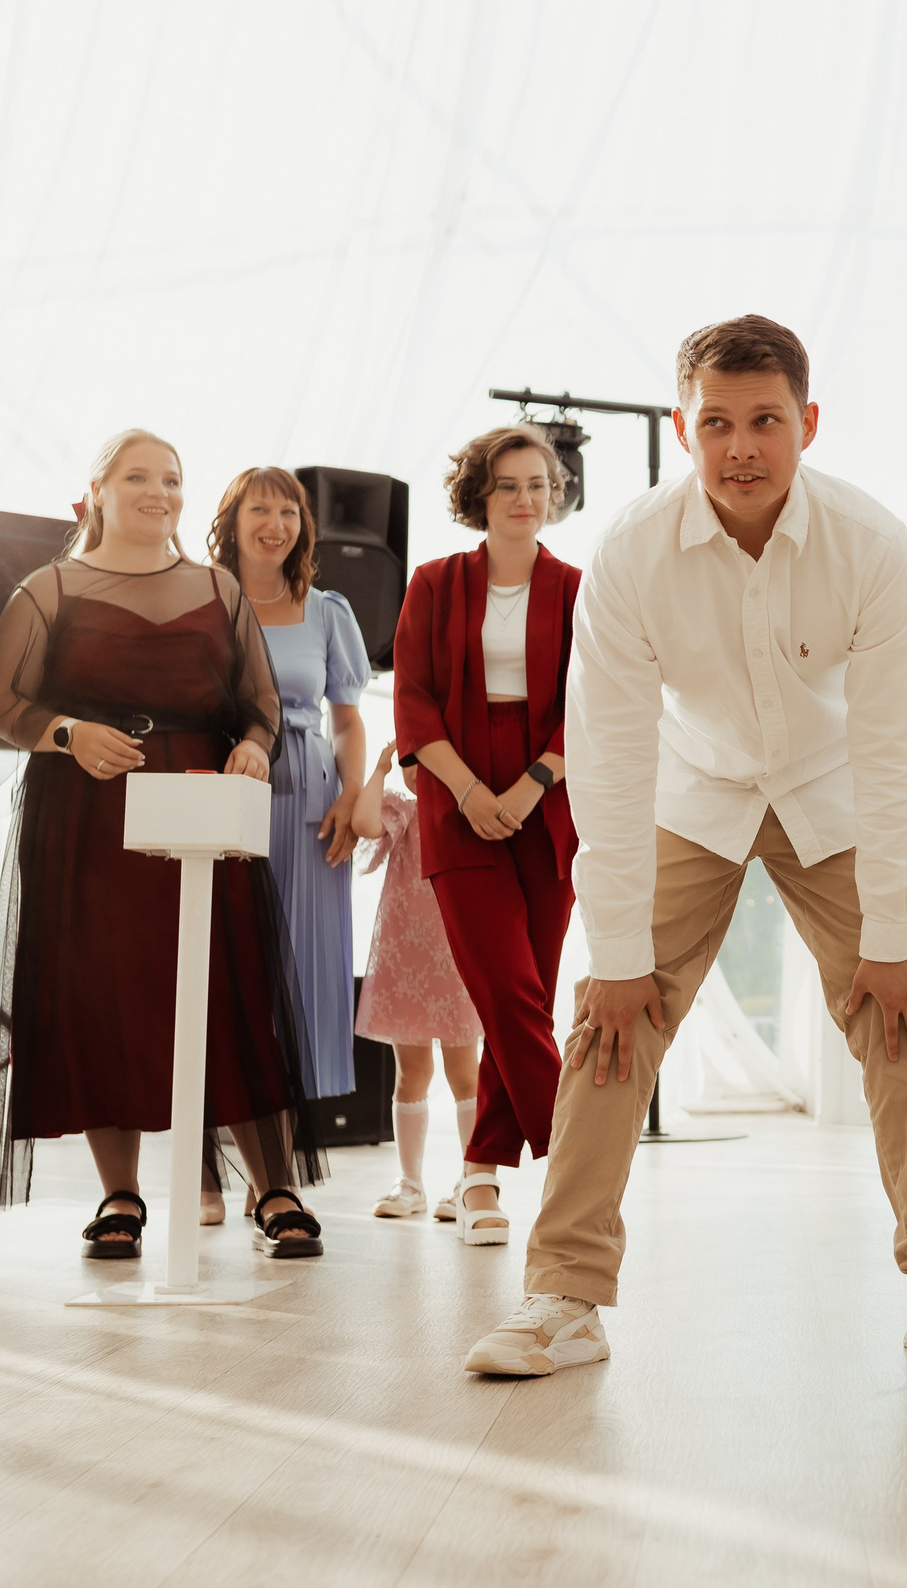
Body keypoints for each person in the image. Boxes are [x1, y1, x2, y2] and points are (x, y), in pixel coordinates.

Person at [463, 314, 907, 1376]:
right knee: (608, 1020)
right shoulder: (632, 553)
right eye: (716, 421)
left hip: (831, 791)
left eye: (764, 420)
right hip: (694, 790)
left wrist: (894, 936)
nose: (741, 446)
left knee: (898, 1015)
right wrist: (623, 955)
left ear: (806, 424)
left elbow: (904, 745)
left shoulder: (869, 543)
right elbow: (610, 760)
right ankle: (564, 1296)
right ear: (683, 429)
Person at [0, 429, 326, 1259]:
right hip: (88, 815)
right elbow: (2, 705)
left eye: (171, 477)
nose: (158, 491)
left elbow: (259, 703)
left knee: (230, 990)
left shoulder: (219, 588)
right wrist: (66, 732)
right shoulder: (45, 589)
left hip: (201, 807)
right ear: (95, 491)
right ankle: (119, 1195)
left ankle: (274, 1188)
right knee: (102, 997)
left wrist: (255, 748)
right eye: (137, 476)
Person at [392, 424, 581, 1248]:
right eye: (507, 483)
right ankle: (584, 1162)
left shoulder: (580, 589)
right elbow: (416, 699)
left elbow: (600, 700)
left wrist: (532, 783)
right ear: (480, 494)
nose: (525, 497)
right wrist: (471, 792)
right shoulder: (434, 583)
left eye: (538, 482)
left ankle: (479, 1172)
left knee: (527, 994)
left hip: (551, 800)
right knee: (505, 990)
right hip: (455, 795)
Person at [210, 468, 371, 1105]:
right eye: (260, 511)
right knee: (222, 963)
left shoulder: (328, 611)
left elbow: (349, 718)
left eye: (289, 513)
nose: (276, 526)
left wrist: (353, 792)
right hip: (223, 791)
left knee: (299, 969)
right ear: (232, 520)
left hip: (311, 800)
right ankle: (207, 1155)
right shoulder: (204, 603)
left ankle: (273, 1156)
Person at [350, 740, 485, 1218]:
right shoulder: (403, 813)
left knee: (464, 1072)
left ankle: (473, 1180)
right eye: (412, 766)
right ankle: (410, 1184)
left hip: (456, 958)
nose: (418, 775)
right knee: (411, 1074)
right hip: (406, 960)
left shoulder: (471, 812)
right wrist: (382, 766)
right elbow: (364, 824)